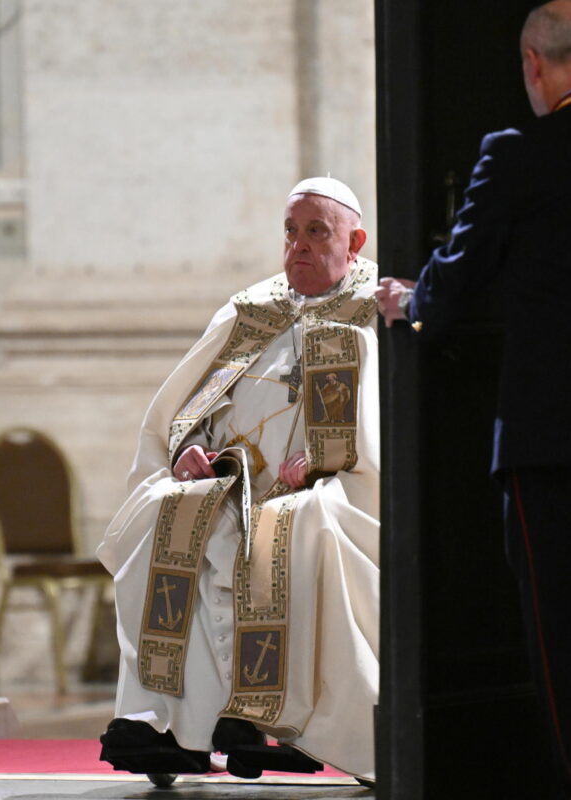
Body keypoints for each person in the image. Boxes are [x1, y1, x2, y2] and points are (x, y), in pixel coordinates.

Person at [97, 177, 380, 783]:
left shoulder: (374, 311)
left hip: (329, 487)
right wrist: (189, 449)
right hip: (231, 485)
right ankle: (165, 726)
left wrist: (333, 459)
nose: (298, 246)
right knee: (164, 512)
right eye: (290, 231)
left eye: (316, 232)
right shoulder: (253, 310)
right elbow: (189, 406)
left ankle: (277, 721)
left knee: (302, 526)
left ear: (353, 241)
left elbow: (386, 425)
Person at [375, 2, 571, 796]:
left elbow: (457, 278)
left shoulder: (517, 152)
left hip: (550, 435)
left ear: (533, 63)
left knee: (564, 632)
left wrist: (411, 301)